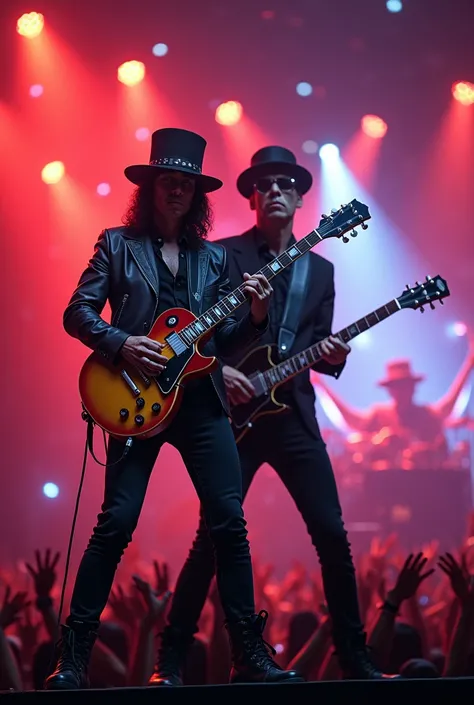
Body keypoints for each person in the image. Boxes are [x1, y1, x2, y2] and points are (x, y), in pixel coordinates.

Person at [45, 129, 302, 689]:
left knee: (229, 524)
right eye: (169, 182)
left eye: (187, 184)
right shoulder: (117, 244)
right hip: (135, 395)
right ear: (151, 188)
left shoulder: (213, 260)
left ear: (197, 194)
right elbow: (77, 312)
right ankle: (73, 660)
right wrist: (118, 342)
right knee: (115, 523)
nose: (178, 191)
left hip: (200, 405)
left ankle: (248, 657)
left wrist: (256, 312)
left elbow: (227, 333)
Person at [153, 146, 395, 683]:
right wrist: (219, 373)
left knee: (332, 535)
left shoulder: (320, 271)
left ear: (302, 197)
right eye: (264, 184)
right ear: (251, 197)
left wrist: (335, 356)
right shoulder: (219, 257)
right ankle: (170, 658)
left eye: (286, 183)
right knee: (211, 539)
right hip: (230, 420)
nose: (276, 190)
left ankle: (354, 657)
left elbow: (317, 347)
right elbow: (192, 337)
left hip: (292, 420)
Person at [314, 351, 474, 470]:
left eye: (404, 385)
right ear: (390, 390)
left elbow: (450, 405)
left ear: (413, 387)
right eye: (397, 386)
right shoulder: (379, 415)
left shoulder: (426, 415)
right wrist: (321, 386)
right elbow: (349, 420)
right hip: (387, 488)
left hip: (425, 487)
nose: (401, 391)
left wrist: (469, 364)